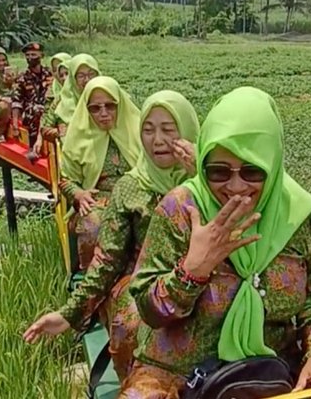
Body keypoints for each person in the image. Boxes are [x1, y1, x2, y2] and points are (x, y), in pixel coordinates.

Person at [121, 87, 311, 399]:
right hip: (180, 372)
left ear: (273, 165)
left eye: (252, 171)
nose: (235, 186)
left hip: (270, 367)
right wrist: (192, 269)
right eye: (218, 171)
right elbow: (147, 311)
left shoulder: (295, 214)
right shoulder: (181, 210)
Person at [23, 90, 199, 382]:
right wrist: (68, 314)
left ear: (189, 133)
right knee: (133, 325)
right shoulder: (131, 187)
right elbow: (107, 259)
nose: (157, 140)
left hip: (202, 278)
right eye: (148, 129)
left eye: (168, 130)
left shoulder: (213, 182)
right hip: (143, 280)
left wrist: (199, 176)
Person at [59, 76, 142, 271]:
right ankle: (92, 281)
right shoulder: (78, 138)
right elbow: (64, 180)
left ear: (120, 105)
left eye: (110, 106)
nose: (103, 113)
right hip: (98, 199)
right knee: (92, 225)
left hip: (136, 197)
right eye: (95, 108)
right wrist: (78, 194)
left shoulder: (137, 131)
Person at [39, 53, 100, 146]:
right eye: (81, 76)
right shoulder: (61, 100)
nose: (87, 79)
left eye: (91, 74)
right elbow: (45, 129)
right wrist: (59, 132)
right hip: (71, 153)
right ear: (73, 78)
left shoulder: (106, 95)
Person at [11, 42, 52, 157]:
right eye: (27, 55)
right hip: (30, 112)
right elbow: (16, 101)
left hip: (49, 108)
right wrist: (15, 124)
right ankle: (33, 146)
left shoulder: (49, 73)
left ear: (41, 56)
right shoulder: (22, 77)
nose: (30, 58)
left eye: (33, 55)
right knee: (37, 110)